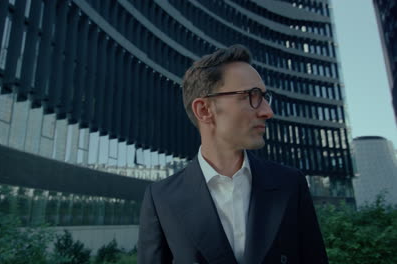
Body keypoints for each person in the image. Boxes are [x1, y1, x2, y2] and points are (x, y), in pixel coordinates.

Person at [137, 44, 329, 264]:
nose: (268, 111)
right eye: (252, 96)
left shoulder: (290, 184)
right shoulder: (161, 199)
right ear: (204, 110)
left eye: (265, 97)